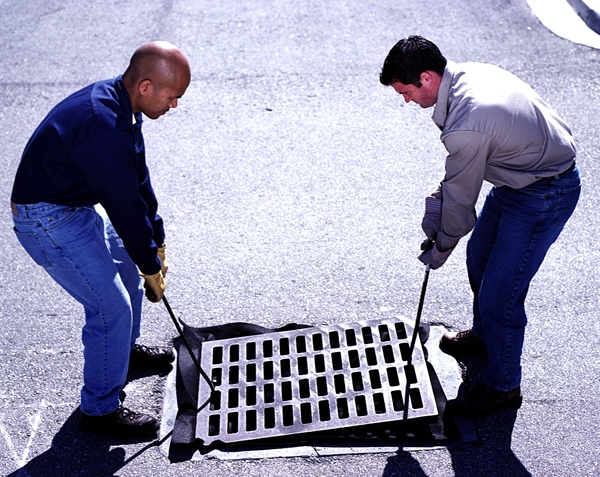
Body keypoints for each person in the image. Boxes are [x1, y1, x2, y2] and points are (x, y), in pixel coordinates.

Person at [379, 36, 580, 416]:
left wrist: (439, 247)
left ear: (427, 78)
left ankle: (504, 387)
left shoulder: (468, 120)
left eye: (406, 92)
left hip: (544, 190)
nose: (406, 101)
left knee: (501, 294)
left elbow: (460, 200)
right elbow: (460, 178)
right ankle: (486, 337)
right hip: (519, 176)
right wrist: (443, 202)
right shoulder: (467, 76)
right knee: (480, 258)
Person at [10, 41, 191, 437]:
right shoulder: (104, 125)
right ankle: (99, 410)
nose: (175, 105)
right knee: (111, 308)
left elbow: (137, 177)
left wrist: (154, 242)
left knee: (129, 260)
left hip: (71, 205)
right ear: (145, 86)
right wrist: (149, 263)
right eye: (172, 96)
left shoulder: (122, 105)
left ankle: (123, 352)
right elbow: (123, 204)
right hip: (47, 219)